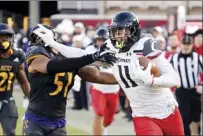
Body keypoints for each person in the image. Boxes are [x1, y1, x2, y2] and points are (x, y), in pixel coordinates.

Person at [35, 11, 184, 135]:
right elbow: (81, 55)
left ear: (134, 31)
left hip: (167, 110)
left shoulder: (145, 45)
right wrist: (54, 44)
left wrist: (152, 81)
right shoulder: (110, 49)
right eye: (116, 32)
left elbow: (174, 79)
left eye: (123, 32)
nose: (118, 36)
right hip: (142, 114)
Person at [22, 24, 118, 136]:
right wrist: (92, 57)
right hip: (35, 120)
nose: (37, 42)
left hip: (59, 123)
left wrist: (126, 78)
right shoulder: (37, 57)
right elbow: (52, 66)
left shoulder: (67, 58)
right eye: (35, 38)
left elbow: (97, 76)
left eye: (39, 37)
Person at [86, 27, 120, 135]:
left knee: (108, 120)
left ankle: (103, 130)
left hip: (113, 90)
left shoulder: (116, 50)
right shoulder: (90, 50)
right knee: (99, 113)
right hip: (98, 88)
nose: (100, 42)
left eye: (103, 40)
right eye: (98, 40)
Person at [0, 23, 30, 135]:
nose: (4, 40)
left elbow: (23, 81)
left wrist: (31, 99)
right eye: (1, 37)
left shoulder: (17, 55)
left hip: (7, 100)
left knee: (10, 132)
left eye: (7, 37)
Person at [169, 34, 202, 136]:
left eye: (188, 44)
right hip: (181, 91)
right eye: (184, 44)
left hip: (194, 91)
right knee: (183, 117)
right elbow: (165, 72)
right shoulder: (173, 58)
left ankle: (195, 134)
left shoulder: (198, 58)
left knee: (195, 117)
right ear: (181, 44)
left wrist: (202, 85)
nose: (186, 46)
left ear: (192, 45)